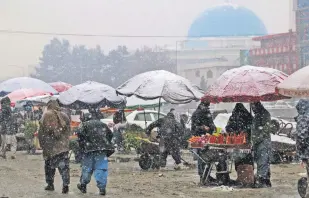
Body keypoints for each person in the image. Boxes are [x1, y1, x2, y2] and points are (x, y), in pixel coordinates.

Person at [77, 109, 114, 196]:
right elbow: (110, 135)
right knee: (101, 168)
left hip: (89, 150)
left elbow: (80, 137)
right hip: (102, 150)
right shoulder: (103, 124)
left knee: (87, 168)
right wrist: (105, 143)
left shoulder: (83, 125)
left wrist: (83, 147)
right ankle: (102, 188)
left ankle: (83, 185)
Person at [38, 100, 71, 194]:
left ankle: (50, 184)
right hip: (62, 147)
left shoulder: (45, 115)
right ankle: (65, 185)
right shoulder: (64, 116)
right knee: (64, 167)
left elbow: (41, 132)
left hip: (50, 147)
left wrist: (42, 145)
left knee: (49, 167)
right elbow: (68, 131)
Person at [191, 101, 217, 183]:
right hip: (199, 138)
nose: (207, 107)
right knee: (202, 158)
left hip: (207, 138)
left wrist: (213, 128)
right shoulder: (197, 113)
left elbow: (210, 123)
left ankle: (206, 175)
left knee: (207, 157)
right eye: (207, 105)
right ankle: (203, 176)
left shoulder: (206, 112)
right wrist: (202, 128)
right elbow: (194, 128)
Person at [225, 103, 254, 172]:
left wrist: (234, 132)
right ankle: (247, 172)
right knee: (246, 157)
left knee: (239, 158)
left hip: (238, 142)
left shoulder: (233, 116)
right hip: (244, 142)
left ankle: (241, 172)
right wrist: (245, 131)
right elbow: (253, 127)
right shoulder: (248, 116)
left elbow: (228, 128)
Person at [251, 101, 272, 188]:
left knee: (263, 161)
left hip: (263, 142)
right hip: (258, 141)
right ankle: (266, 180)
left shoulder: (264, 114)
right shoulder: (257, 115)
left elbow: (265, 130)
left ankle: (262, 180)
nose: (252, 108)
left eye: (253, 106)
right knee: (261, 160)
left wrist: (257, 138)